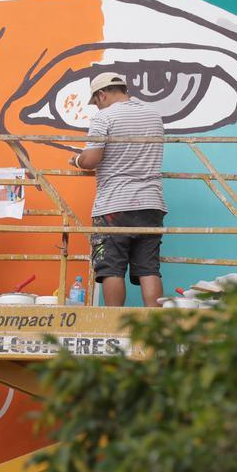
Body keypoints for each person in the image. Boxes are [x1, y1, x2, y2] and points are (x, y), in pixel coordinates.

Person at [71, 72, 167, 307]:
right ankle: (156, 328)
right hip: (151, 203)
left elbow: (91, 159)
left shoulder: (104, 118)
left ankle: (115, 325)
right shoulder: (154, 116)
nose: (97, 107)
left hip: (114, 204)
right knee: (148, 268)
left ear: (101, 95)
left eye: (96, 103)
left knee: (111, 268)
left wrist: (77, 160)